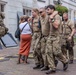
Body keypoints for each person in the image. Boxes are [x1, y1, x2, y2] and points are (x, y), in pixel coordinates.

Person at [45, 5, 68, 74]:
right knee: (48, 52)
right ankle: (52, 68)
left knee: (56, 52)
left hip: (56, 37)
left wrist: (52, 18)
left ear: (52, 10)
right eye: (46, 10)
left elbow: (56, 25)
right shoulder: (50, 16)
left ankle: (65, 61)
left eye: (48, 9)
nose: (47, 11)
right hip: (50, 36)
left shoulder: (57, 16)